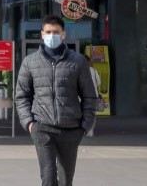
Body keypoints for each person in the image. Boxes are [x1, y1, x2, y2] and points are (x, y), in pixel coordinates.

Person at [15, 17, 99, 186]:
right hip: (42, 128)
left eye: (55, 32)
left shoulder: (78, 61)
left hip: (71, 129)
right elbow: (21, 96)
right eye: (48, 32)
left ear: (63, 34)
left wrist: (84, 126)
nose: (51, 35)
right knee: (48, 177)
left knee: (66, 180)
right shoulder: (30, 62)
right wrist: (30, 123)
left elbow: (90, 96)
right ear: (42, 34)